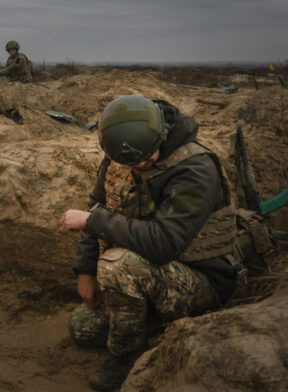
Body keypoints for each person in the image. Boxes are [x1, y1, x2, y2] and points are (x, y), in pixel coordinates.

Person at [60, 94, 238, 392]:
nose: (140, 163)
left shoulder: (195, 168)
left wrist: (92, 223)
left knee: (118, 267)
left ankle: (127, 356)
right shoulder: (125, 152)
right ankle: (153, 324)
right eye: (131, 160)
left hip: (203, 278)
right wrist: (85, 271)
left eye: (147, 156)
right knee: (83, 328)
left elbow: (164, 243)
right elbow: (97, 204)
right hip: (155, 273)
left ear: (162, 135)